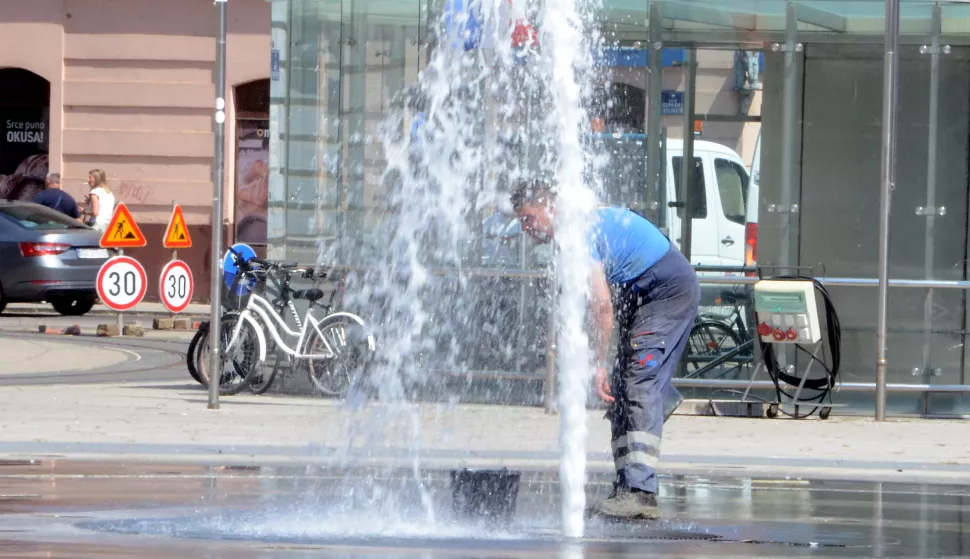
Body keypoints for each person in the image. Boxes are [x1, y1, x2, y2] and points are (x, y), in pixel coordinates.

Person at [510, 179, 699, 521]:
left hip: (667, 290)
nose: (525, 228)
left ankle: (640, 493)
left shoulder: (577, 233)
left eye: (528, 217)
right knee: (623, 389)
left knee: (638, 384)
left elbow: (600, 306)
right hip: (641, 291)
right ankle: (627, 484)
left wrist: (598, 362)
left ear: (548, 207)